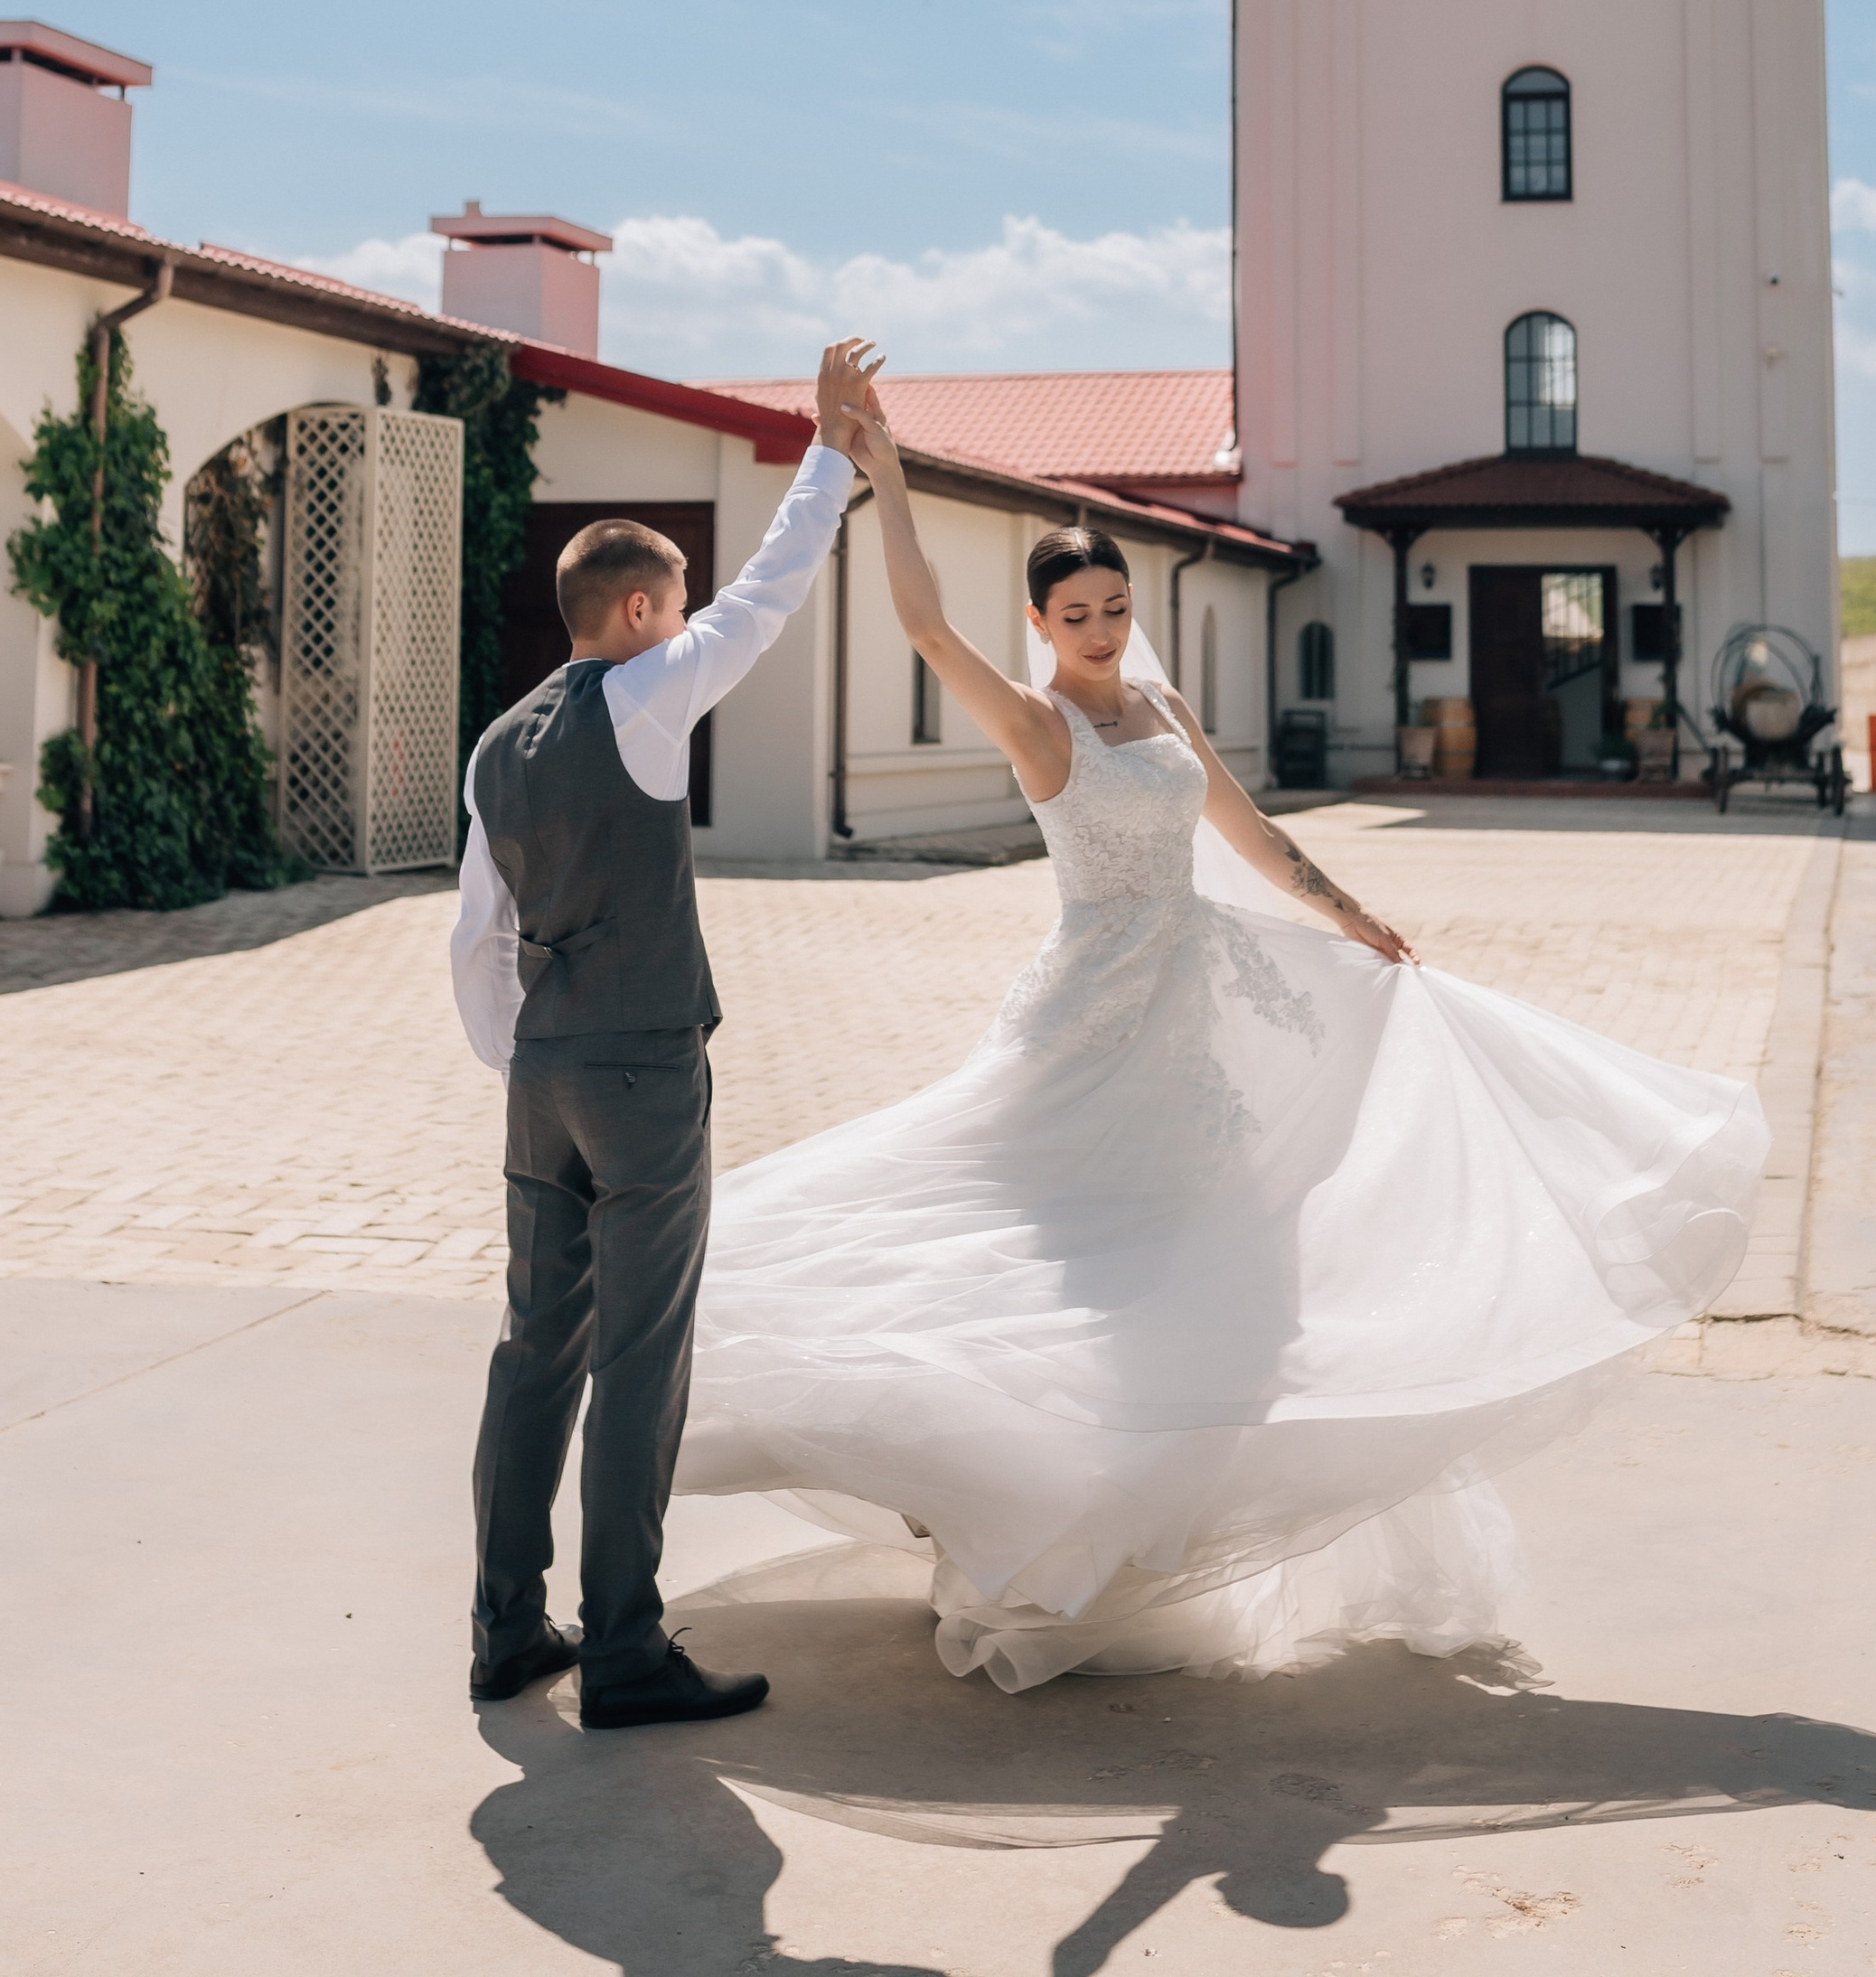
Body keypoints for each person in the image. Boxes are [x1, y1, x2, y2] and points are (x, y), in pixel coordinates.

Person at [676, 388, 1768, 1692]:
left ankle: (1120, 1541)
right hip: (1086, 1018)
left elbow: (1242, 830)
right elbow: (918, 621)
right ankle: (997, 1513)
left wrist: (1353, 912)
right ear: (1040, 623)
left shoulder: (1161, 705)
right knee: (1052, 1264)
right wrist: (886, 471)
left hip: (1193, 1014)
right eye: (1073, 615)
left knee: (1193, 1280)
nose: (1098, 630)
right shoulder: (1040, 723)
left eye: (1114, 608)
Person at [451, 336, 878, 1724]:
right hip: (640, 1069)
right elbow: (768, 591)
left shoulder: (497, 742)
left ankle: (507, 1626)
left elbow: (477, 940)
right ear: (638, 608)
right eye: (672, 607)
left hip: (542, 1074)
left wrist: (522, 1053)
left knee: (534, 1346)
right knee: (641, 1353)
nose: (687, 627)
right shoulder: (646, 693)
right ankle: (625, 1652)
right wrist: (825, 450)